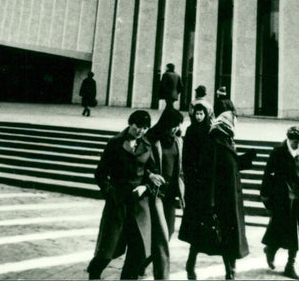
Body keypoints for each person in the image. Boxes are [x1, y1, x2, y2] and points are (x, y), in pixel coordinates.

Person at [87, 110, 165, 280]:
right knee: (108, 248)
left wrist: (147, 184)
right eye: (138, 127)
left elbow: (151, 170)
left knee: (138, 249)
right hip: (118, 203)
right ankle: (94, 272)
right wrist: (110, 193)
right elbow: (100, 173)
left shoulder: (146, 145)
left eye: (145, 128)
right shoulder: (115, 143)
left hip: (139, 205)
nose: (141, 131)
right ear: (131, 123)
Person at [198, 100, 257, 279]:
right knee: (227, 238)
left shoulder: (226, 138)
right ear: (227, 123)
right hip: (223, 199)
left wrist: (246, 159)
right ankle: (229, 272)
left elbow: (231, 164)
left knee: (230, 238)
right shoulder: (216, 140)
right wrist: (211, 202)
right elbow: (213, 171)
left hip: (231, 196)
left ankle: (230, 271)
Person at [260, 126, 299, 280]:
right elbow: (267, 175)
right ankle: (270, 250)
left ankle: (290, 265)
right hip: (282, 199)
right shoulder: (278, 152)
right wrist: (265, 196)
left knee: (297, 232)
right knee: (280, 229)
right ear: (289, 139)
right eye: (296, 141)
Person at [144, 108, 184, 280]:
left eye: (178, 126)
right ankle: (162, 277)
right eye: (174, 125)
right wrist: (150, 175)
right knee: (161, 237)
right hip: (156, 195)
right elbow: (140, 164)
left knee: (168, 233)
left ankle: (140, 263)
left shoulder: (178, 141)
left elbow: (180, 168)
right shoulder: (151, 140)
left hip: (171, 195)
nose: (176, 129)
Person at [178, 101, 213, 279]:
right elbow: (186, 157)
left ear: (206, 115)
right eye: (197, 114)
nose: (199, 117)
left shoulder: (210, 131)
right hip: (194, 186)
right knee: (194, 227)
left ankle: (191, 263)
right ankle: (190, 263)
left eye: (202, 114)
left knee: (202, 227)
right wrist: (191, 176)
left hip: (206, 185)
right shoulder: (191, 131)